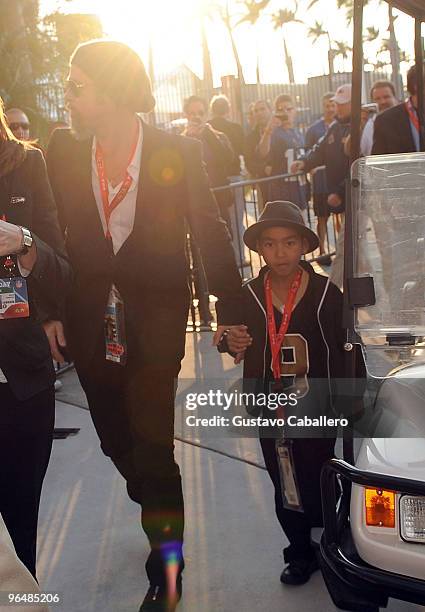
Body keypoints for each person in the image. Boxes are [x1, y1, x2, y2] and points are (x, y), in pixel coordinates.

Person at [46, 40, 243, 611]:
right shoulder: (61, 152)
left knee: (153, 444)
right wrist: (51, 310)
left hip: (156, 319)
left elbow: (208, 230)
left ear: (108, 89)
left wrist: (232, 309)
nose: (68, 94)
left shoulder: (175, 150)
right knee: (116, 441)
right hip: (88, 319)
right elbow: (50, 236)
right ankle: (156, 508)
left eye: (76, 84)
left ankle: (168, 562)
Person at [217, 200, 348, 586]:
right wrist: (230, 340)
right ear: (259, 248)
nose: (280, 252)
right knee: (283, 479)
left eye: (289, 242)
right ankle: (299, 552)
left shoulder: (326, 292)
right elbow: (230, 340)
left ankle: (333, 544)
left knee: (322, 473)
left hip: (315, 405)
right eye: (271, 244)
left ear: (304, 246)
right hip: (269, 406)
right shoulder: (248, 295)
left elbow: (343, 347)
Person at [0, 97, 71, 578]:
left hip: (19, 375)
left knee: (20, 521)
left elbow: (60, 268)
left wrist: (23, 241)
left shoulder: (26, 163)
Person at [291, 84, 352, 287]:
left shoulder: (361, 126)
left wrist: (340, 191)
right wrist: (305, 162)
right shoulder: (336, 126)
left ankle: (333, 292)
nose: (337, 108)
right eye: (337, 104)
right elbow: (319, 149)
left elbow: (360, 164)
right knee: (354, 247)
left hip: (357, 196)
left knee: (347, 248)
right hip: (347, 196)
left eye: (342, 104)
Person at [182, 95, 235, 230]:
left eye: (200, 113)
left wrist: (209, 134)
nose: (196, 117)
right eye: (192, 113)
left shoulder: (219, 136)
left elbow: (228, 159)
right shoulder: (180, 140)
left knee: (225, 238)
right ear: (186, 115)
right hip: (194, 204)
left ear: (207, 114)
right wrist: (189, 138)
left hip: (218, 200)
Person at [208, 94, 247, 265]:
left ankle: (226, 258)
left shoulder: (208, 128)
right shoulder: (236, 128)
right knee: (237, 219)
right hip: (234, 176)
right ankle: (239, 257)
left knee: (221, 219)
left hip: (216, 179)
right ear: (228, 109)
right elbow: (242, 150)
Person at [257, 94, 308, 208]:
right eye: (281, 110)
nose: (285, 113)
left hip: (299, 188)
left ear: (295, 111)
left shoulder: (298, 133)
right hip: (281, 191)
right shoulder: (274, 133)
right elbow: (262, 152)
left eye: (289, 109)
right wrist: (268, 130)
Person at [305, 93, 336, 262]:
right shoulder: (313, 129)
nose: (330, 109)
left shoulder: (343, 126)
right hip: (321, 183)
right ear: (323, 106)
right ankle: (322, 251)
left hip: (338, 181)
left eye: (333, 105)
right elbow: (309, 152)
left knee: (344, 218)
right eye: (327, 105)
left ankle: (343, 249)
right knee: (322, 217)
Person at [372, 63, 424, 155]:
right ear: (416, 85)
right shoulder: (385, 120)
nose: (382, 101)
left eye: (386, 96)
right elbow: (379, 163)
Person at [360, 80, 398, 156]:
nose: (382, 102)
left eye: (386, 97)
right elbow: (356, 152)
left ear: (395, 98)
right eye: (377, 99)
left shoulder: (406, 119)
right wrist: (360, 127)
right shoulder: (369, 124)